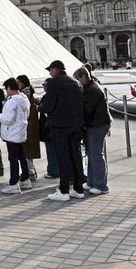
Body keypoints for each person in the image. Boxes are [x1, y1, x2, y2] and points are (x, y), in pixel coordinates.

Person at [41, 60, 85, 202]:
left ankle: (63, 190)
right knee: (76, 157)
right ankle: (78, 189)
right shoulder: (75, 82)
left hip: (60, 127)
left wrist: (39, 107)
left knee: (63, 158)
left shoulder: (55, 82)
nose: (49, 72)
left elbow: (48, 105)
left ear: (56, 69)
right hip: (75, 126)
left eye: (50, 69)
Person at [76, 66, 112, 195]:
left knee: (96, 154)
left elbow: (87, 110)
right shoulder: (90, 87)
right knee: (92, 154)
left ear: (84, 77)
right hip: (96, 124)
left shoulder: (92, 90)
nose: (77, 83)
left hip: (97, 124)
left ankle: (101, 185)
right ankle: (92, 181)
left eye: (78, 79)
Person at [0, 78, 31, 194]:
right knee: (22, 157)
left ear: (9, 88)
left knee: (13, 159)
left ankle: (14, 184)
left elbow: (8, 119)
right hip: (21, 132)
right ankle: (26, 179)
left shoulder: (11, 101)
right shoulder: (24, 98)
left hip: (12, 134)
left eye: (6, 89)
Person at [18, 75, 46, 180]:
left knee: (26, 149)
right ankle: (31, 170)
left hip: (27, 125)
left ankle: (30, 172)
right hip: (32, 125)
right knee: (29, 150)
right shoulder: (32, 93)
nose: (17, 85)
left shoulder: (24, 95)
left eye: (19, 83)